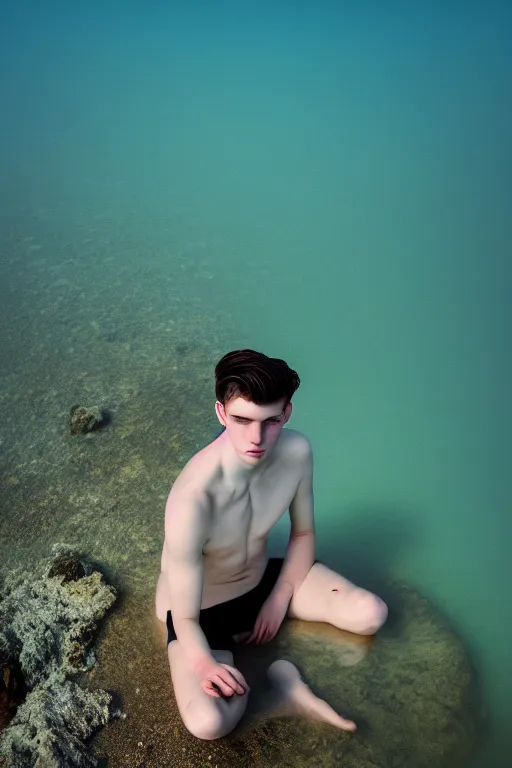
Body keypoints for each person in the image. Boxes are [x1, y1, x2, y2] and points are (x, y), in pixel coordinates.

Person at [155, 349, 388, 740]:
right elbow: (187, 617)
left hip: (264, 582)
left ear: (287, 413)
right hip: (200, 611)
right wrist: (202, 665)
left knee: (371, 613)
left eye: (271, 421)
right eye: (242, 420)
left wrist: (279, 598)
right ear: (220, 413)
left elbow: (302, 535)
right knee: (207, 724)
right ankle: (270, 689)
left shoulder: (296, 453)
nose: (256, 438)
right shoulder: (192, 501)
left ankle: (285, 679)